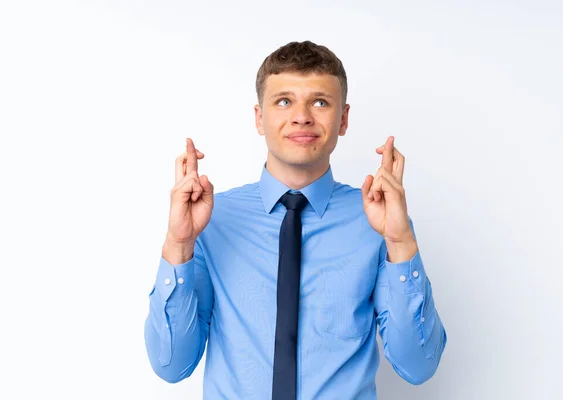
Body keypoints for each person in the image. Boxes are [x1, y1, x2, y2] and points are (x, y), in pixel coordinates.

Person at [144, 40, 447, 399]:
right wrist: (178, 245)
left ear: (344, 119)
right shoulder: (211, 218)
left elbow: (418, 366)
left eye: (320, 102)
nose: (302, 116)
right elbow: (171, 365)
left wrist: (400, 242)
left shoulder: (377, 219)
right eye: (284, 101)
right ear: (259, 118)